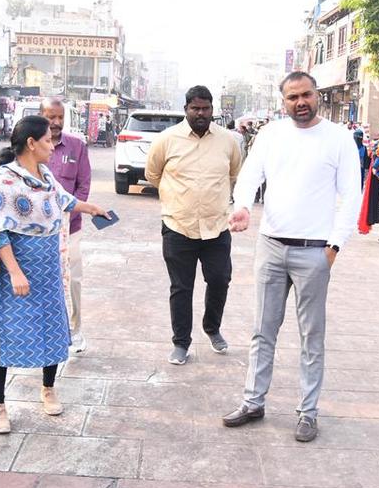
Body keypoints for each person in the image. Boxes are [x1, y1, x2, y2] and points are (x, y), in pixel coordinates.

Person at [222, 71, 362, 443]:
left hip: (314, 251)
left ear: (316, 96)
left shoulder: (338, 138)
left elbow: (352, 195)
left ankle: (307, 411)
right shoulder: (271, 135)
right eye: (292, 97)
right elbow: (251, 174)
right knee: (262, 330)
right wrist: (242, 207)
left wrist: (333, 247)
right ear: (283, 101)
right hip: (271, 245)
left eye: (306, 95)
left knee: (311, 336)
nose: (300, 102)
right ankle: (253, 402)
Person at [0, 116, 108, 434]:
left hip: (49, 269)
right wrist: (16, 272)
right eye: (48, 140)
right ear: (31, 143)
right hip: (16, 274)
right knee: (5, 335)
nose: (53, 145)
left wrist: (92, 209)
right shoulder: (6, 181)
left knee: (53, 328)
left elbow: (62, 199)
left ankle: (48, 388)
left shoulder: (45, 175)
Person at [145, 85, 243, 365]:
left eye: (206, 109)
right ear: (185, 109)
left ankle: (212, 328)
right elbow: (153, 175)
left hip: (217, 227)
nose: (201, 114)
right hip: (179, 226)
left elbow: (234, 173)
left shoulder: (228, 141)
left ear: (213, 109)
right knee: (181, 287)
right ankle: (181, 343)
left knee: (220, 280)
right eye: (195, 109)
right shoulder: (167, 140)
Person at [42, 97, 92, 354]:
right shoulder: (30, 146)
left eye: (60, 117)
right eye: (51, 117)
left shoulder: (76, 146)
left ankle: (75, 330)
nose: (56, 122)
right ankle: (43, 330)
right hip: (37, 231)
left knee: (73, 280)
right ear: (41, 116)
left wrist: (69, 213)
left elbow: (83, 186)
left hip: (70, 228)